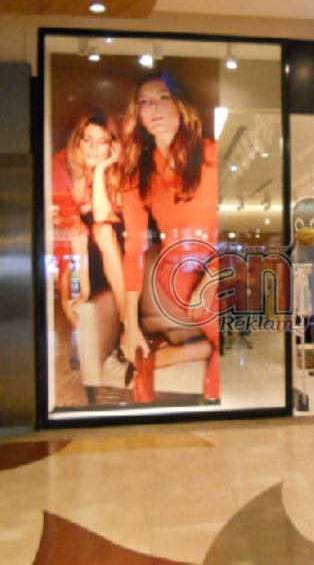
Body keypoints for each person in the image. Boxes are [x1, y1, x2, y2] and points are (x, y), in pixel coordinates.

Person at [102, 72, 220, 403]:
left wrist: (213, 276)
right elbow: (134, 251)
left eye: (163, 98)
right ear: (138, 115)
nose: (153, 108)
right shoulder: (137, 173)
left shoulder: (213, 154)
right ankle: (216, 405)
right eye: (145, 103)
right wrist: (130, 325)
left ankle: (188, 363)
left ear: (181, 105)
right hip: (180, 272)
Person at [54, 107, 129, 390]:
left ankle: (127, 325)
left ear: (112, 147)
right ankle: (86, 347)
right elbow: (74, 237)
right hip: (80, 258)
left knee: (102, 230)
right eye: (87, 140)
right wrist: (81, 288)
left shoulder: (118, 174)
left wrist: (100, 171)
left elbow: (102, 216)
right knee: (71, 295)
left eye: (102, 142)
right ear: (78, 142)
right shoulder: (62, 170)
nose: (93, 148)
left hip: (112, 254)